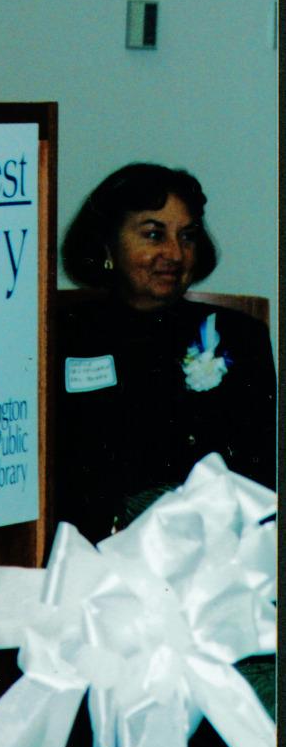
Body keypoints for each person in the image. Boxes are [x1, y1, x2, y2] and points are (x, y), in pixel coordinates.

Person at [54, 161, 276, 541]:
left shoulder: (238, 336)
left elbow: (259, 476)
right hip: (91, 555)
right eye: (154, 235)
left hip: (214, 554)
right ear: (106, 244)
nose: (174, 253)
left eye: (187, 236)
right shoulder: (61, 335)